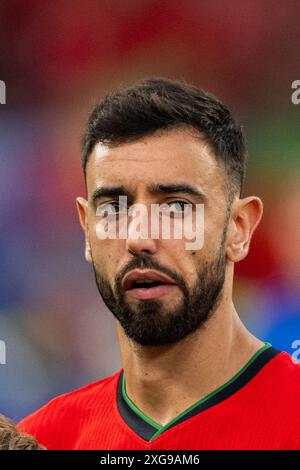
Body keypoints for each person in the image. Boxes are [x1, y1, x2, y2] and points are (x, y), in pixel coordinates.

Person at [17, 78, 300, 449]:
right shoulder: (45, 440)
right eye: (113, 208)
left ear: (239, 229)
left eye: (176, 207)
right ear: (87, 229)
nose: (139, 238)